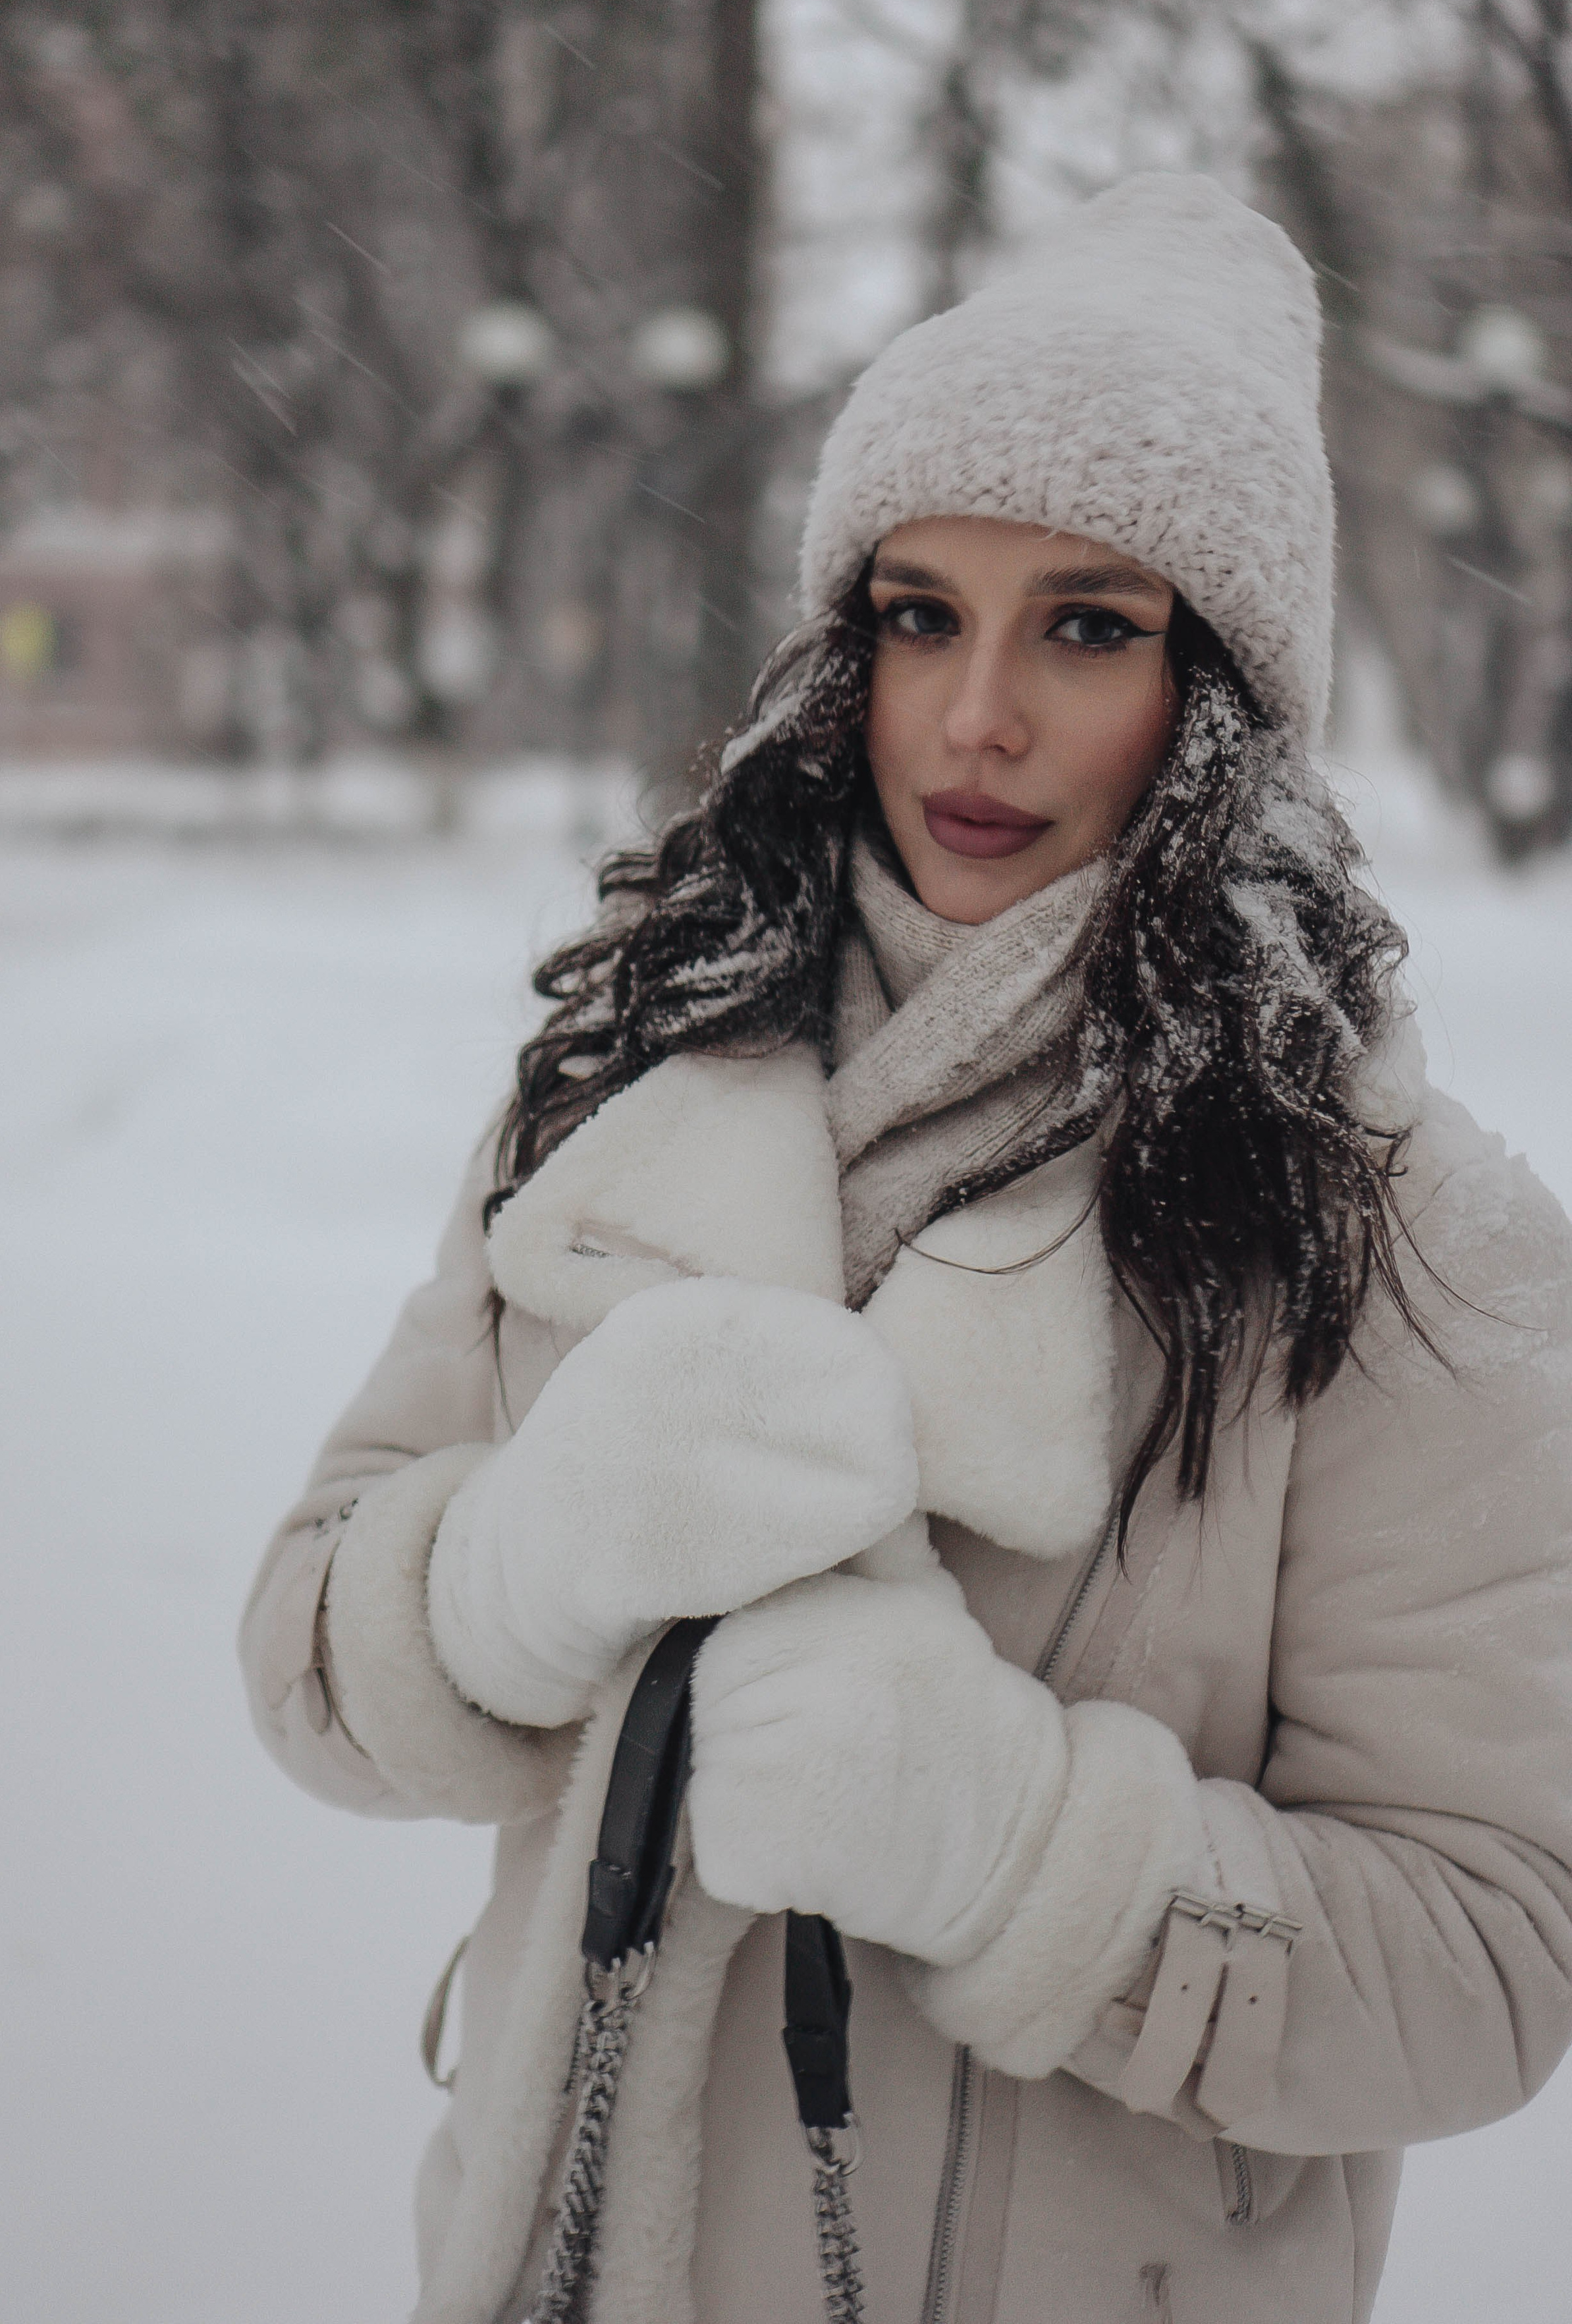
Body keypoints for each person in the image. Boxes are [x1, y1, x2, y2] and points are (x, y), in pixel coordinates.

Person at [240, 173, 1572, 2324]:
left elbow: (1495, 1963)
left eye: (1088, 625)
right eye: (920, 612)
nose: (973, 721)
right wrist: (502, 1581)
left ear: (1221, 687)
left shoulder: (1399, 1230)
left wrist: (1010, 1847)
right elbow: (305, 1656)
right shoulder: (631, 1080)